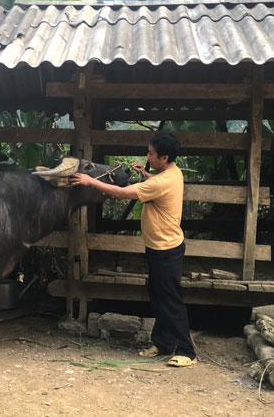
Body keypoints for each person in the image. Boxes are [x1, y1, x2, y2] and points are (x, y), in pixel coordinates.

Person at [69, 132, 196, 367]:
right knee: (158, 297)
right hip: (159, 247)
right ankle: (163, 343)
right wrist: (145, 173)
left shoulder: (162, 181)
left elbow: (123, 193)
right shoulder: (171, 172)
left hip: (166, 249)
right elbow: (154, 185)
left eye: (150, 153)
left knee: (170, 300)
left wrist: (91, 181)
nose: (147, 156)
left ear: (164, 156)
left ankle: (187, 351)